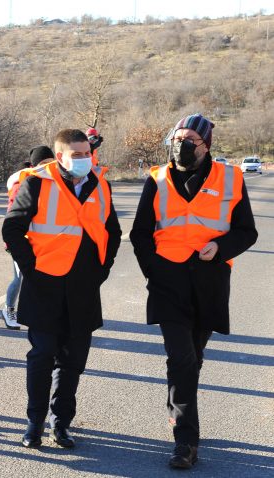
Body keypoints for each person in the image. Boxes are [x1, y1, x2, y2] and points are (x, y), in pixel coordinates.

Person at [130, 114, 257, 469]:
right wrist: (153, 271)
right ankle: (185, 442)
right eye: (177, 138)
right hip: (168, 282)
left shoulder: (231, 178)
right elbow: (140, 233)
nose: (181, 145)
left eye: (189, 140)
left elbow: (247, 232)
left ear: (205, 145)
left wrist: (220, 247)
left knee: (194, 358)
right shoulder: (156, 179)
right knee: (182, 358)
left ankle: (179, 411)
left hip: (209, 282)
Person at [2, 129, 121, 450]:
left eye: (87, 154)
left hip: (84, 288)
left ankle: (62, 424)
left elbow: (112, 231)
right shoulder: (37, 183)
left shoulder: (100, 185)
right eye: (77, 155)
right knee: (41, 357)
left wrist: (102, 270)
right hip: (44, 285)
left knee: (73, 362)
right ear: (60, 157)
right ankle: (34, 423)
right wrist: (31, 269)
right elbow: (12, 229)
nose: (85, 160)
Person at [2, 146, 55, 330]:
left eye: (51, 162)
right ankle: (8, 309)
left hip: (42, 241)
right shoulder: (24, 182)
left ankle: (40, 312)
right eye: (44, 163)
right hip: (22, 241)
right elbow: (13, 216)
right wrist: (12, 242)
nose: (48, 166)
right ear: (35, 165)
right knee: (20, 277)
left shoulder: (53, 180)